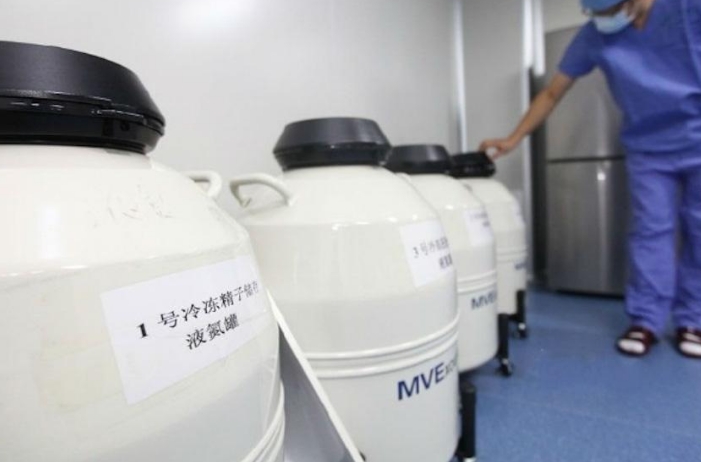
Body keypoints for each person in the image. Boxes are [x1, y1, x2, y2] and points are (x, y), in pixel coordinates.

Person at [480, 0, 701, 358]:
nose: (603, 19)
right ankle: (646, 320)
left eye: (608, 11)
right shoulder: (594, 35)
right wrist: (513, 138)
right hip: (647, 147)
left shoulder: (686, 9)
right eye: (594, 13)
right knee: (650, 230)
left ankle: (693, 321)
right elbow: (552, 92)